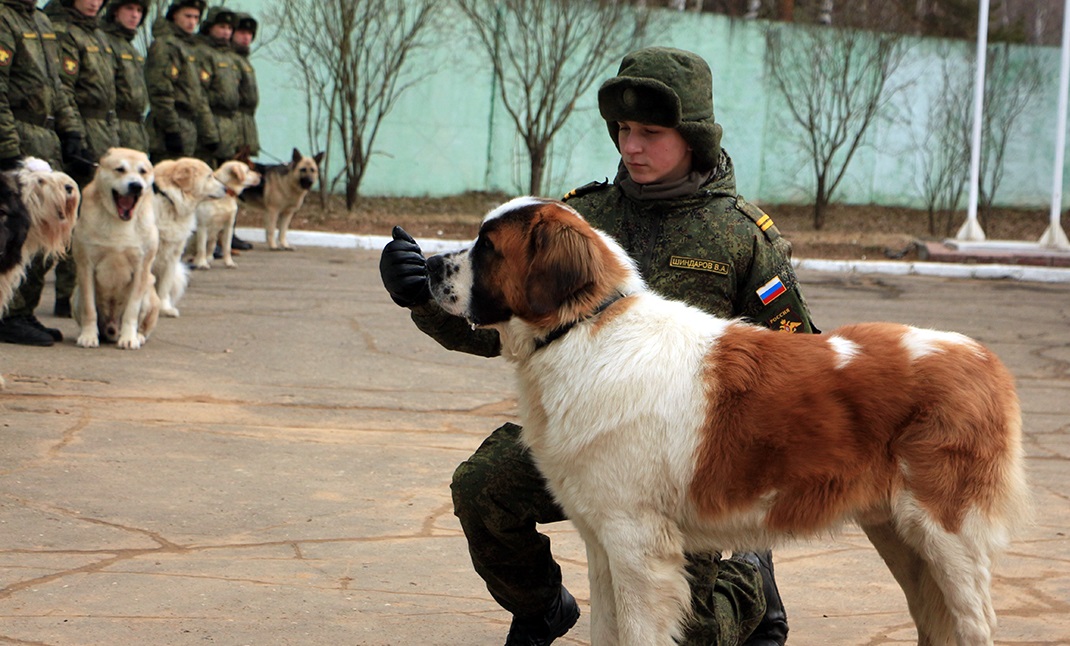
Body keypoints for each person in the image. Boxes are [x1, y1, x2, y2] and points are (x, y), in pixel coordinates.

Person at [380, 47, 817, 645]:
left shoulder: (740, 236)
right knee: (483, 488)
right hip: (583, 440)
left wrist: (747, 484)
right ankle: (540, 607)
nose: (631, 146)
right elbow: (504, 324)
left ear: (693, 138)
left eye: (650, 133)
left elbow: (796, 362)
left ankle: (746, 573)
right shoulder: (577, 219)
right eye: (623, 129)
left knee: (679, 630)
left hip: (684, 471)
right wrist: (422, 298)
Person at [0, 0, 87, 345]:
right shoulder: (4, 17)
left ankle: (21, 311)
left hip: (42, 137)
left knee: (41, 233)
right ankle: (10, 316)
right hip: (16, 138)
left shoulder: (39, 19)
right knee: (14, 235)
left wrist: (72, 132)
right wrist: (8, 148)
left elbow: (57, 86)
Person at [44, 0, 120, 318]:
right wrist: (74, 135)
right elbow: (65, 90)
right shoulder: (63, 31)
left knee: (88, 218)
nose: (94, 2)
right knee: (69, 218)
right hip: (78, 130)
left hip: (102, 133)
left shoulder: (97, 34)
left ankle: (77, 293)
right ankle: (65, 294)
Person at [144, 0, 217, 163]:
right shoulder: (165, 45)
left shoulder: (190, 48)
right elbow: (160, 91)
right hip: (167, 129)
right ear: (175, 16)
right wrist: (171, 129)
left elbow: (198, 94)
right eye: (187, 16)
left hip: (188, 126)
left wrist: (208, 133)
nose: (192, 22)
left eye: (196, 17)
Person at [192, 6, 240, 167]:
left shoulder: (229, 58)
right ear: (210, 27)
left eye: (229, 28)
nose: (226, 32)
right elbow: (200, 96)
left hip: (227, 130)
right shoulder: (202, 53)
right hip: (209, 125)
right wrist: (209, 133)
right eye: (221, 27)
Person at [102, 0, 150, 152]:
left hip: (135, 128)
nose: (135, 15)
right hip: (114, 125)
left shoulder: (130, 47)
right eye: (129, 8)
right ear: (115, 11)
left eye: (139, 11)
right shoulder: (105, 41)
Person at [227, 10, 257, 252]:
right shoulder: (228, 59)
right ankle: (224, 234)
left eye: (249, 34)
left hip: (244, 124)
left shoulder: (243, 60)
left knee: (239, 183)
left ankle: (231, 231)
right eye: (241, 32)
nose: (246, 38)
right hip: (231, 123)